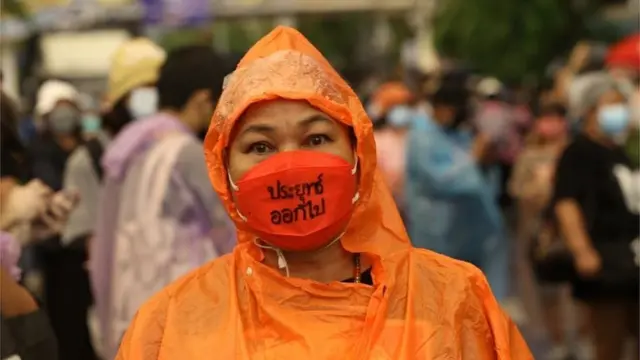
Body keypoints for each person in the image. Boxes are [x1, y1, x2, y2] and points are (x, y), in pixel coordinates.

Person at [115, 26, 532, 359]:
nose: (291, 165)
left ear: (357, 154)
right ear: (225, 172)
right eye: (260, 146)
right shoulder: (170, 322)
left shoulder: (453, 298)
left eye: (315, 139)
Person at [92, 45, 236, 359]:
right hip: (183, 299)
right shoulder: (183, 151)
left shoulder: (130, 144)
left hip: (133, 291)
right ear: (202, 100)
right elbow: (226, 226)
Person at [552, 74, 639, 360]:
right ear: (591, 111)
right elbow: (566, 204)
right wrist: (582, 250)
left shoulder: (620, 154)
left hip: (632, 260)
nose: (621, 112)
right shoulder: (579, 153)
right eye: (613, 104)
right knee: (609, 343)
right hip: (605, 264)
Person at [405, 72, 510, 302]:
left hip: (472, 230)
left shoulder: (459, 133)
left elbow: (482, 178)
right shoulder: (421, 137)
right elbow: (440, 179)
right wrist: (475, 159)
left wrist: (486, 161)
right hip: (438, 232)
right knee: (441, 299)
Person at [508, 103, 572, 360]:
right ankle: (557, 340)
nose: (551, 124)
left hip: (572, 233)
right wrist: (538, 189)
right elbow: (516, 191)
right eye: (546, 118)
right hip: (540, 234)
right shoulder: (529, 156)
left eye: (556, 118)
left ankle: (576, 338)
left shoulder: (573, 153)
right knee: (548, 290)